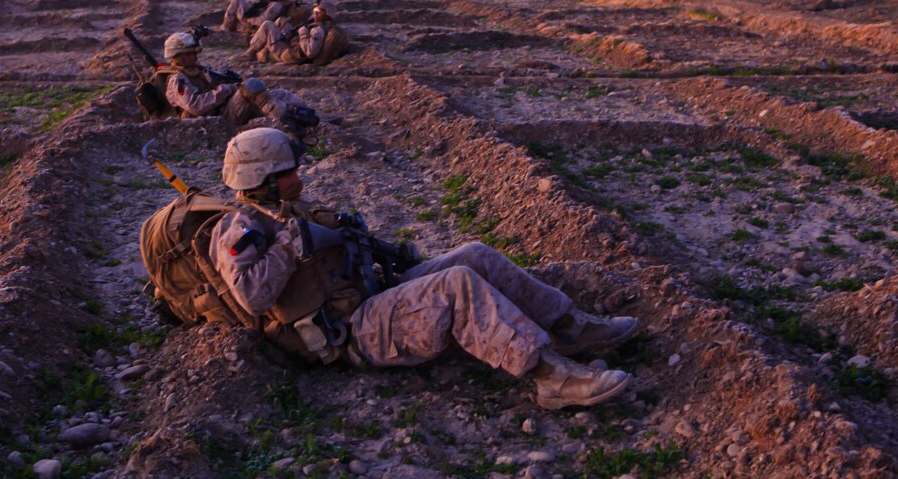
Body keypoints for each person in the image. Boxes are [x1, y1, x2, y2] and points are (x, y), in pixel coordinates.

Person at [208, 127, 640, 409]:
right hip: (349, 331)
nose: (299, 173)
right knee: (457, 284)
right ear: (261, 177)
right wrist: (287, 246)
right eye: (289, 170)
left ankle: (568, 327)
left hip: (371, 295)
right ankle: (549, 376)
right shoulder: (239, 227)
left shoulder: (291, 207)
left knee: (475, 254)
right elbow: (251, 295)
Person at [158, 31, 318, 135]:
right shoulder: (178, 79)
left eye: (192, 53)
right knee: (252, 86)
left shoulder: (195, 71)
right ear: (177, 56)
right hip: (214, 121)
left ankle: (309, 115)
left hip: (223, 110)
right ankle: (287, 122)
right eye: (188, 54)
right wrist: (226, 89)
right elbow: (196, 106)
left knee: (278, 94)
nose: (193, 57)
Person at [245, 0, 348, 66]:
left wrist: (303, 32)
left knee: (267, 25)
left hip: (290, 55)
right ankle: (263, 53)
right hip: (295, 47)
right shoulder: (325, 25)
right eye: (314, 11)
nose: (315, 14)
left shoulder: (318, 30)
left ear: (327, 13)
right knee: (281, 20)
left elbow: (310, 52)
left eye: (319, 12)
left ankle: (251, 53)